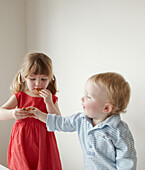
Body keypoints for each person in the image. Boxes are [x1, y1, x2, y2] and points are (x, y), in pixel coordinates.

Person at [30, 72, 137, 170]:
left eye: (88, 97)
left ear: (106, 108)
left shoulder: (119, 130)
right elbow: (61, 122)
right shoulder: (80, 120)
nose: (82, 99)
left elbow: (127, 160)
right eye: (84, 94)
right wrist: (39, 115)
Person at [0, 53, 62, 170]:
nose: (38, 84)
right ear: (24, 77)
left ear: (50, 79)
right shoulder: (19, 97)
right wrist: (12, 113)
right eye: (32, 79)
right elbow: (0, 112)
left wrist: (48, 102)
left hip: (44, 144)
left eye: (43, 79)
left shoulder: (51, 98)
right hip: (22, 143)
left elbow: (59, 121)